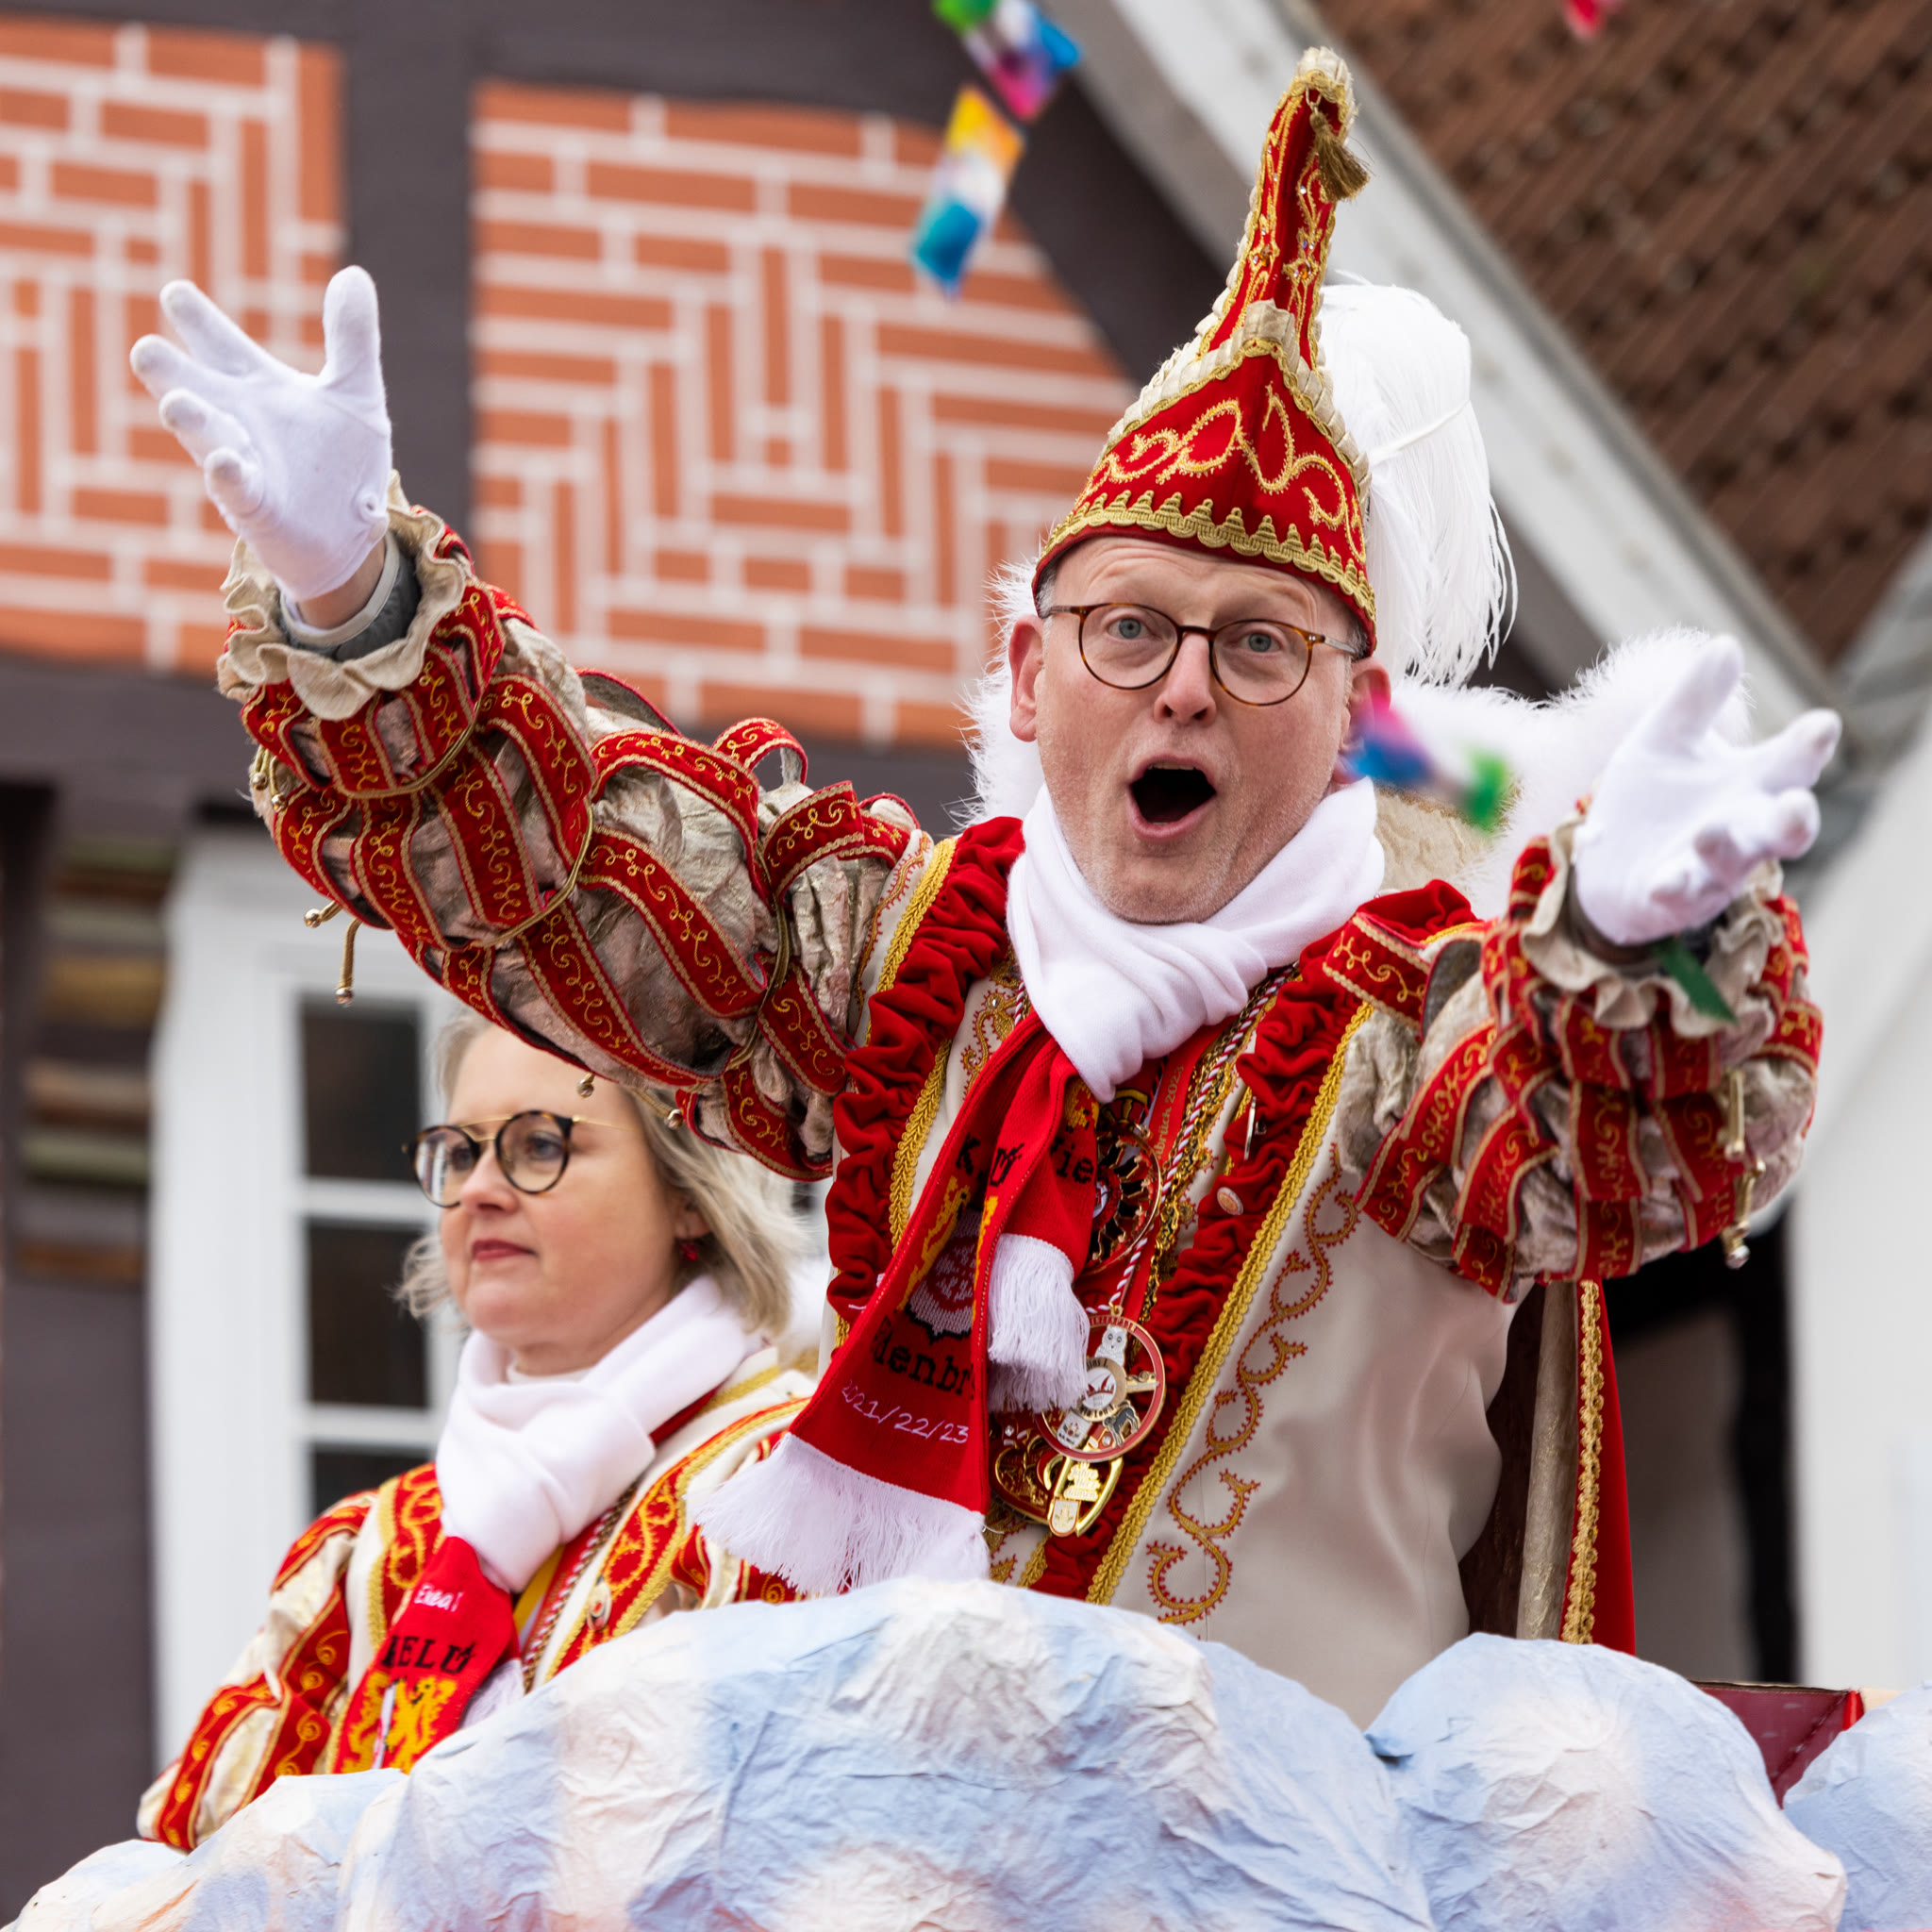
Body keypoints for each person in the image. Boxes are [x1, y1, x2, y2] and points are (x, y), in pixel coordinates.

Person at [131, 47, 1836, 1725]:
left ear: (1349, 720)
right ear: (1028, 678)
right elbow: (585, 869)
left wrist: (1641, 942)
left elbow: (1609, 1135)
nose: (1184, 688)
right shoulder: (917, 958)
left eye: (1258, 646)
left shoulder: (1409, 1031)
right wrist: (357, 597)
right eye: (1128, 630)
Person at [139, 1014, 811, 1850]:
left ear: (691, 1194)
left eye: (539, 1145)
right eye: (460, 1153)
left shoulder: (785, 1487)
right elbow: (192, 1867)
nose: (479, 1189)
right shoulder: (369, 1548)